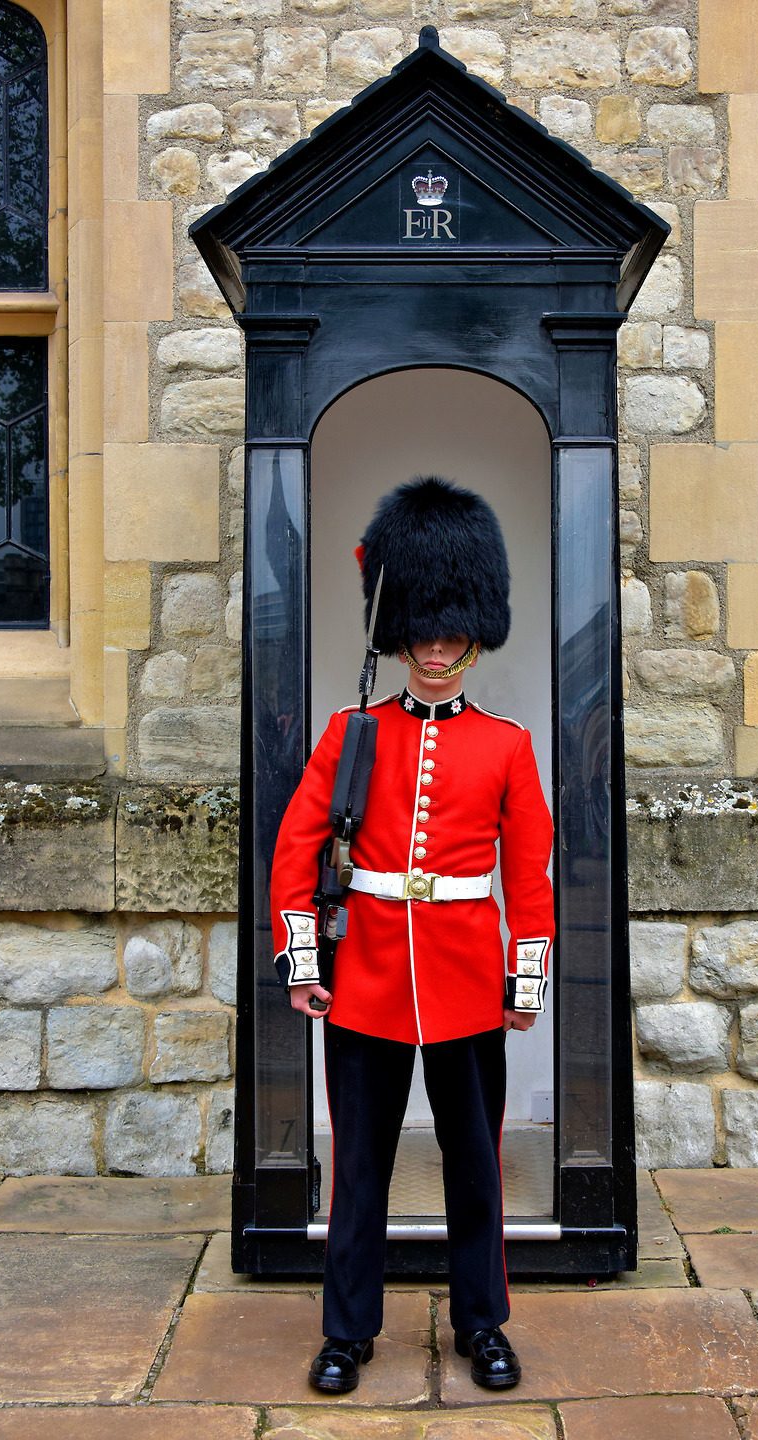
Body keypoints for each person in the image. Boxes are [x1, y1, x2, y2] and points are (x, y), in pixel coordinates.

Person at [270, 476, 554, 1394]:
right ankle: (348, 1331)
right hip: (366, 982)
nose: (435, 648)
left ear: (477, 632)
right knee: (362, 1171)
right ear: (399, 635)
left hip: (468, 977)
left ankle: (482, 1324)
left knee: (475, 1166)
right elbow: (296, 852)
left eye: (451, 630)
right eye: (421, 631)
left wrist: (525, 981)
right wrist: (305, 964)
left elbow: (529, 877)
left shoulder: (507, 744)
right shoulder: (349, 734)